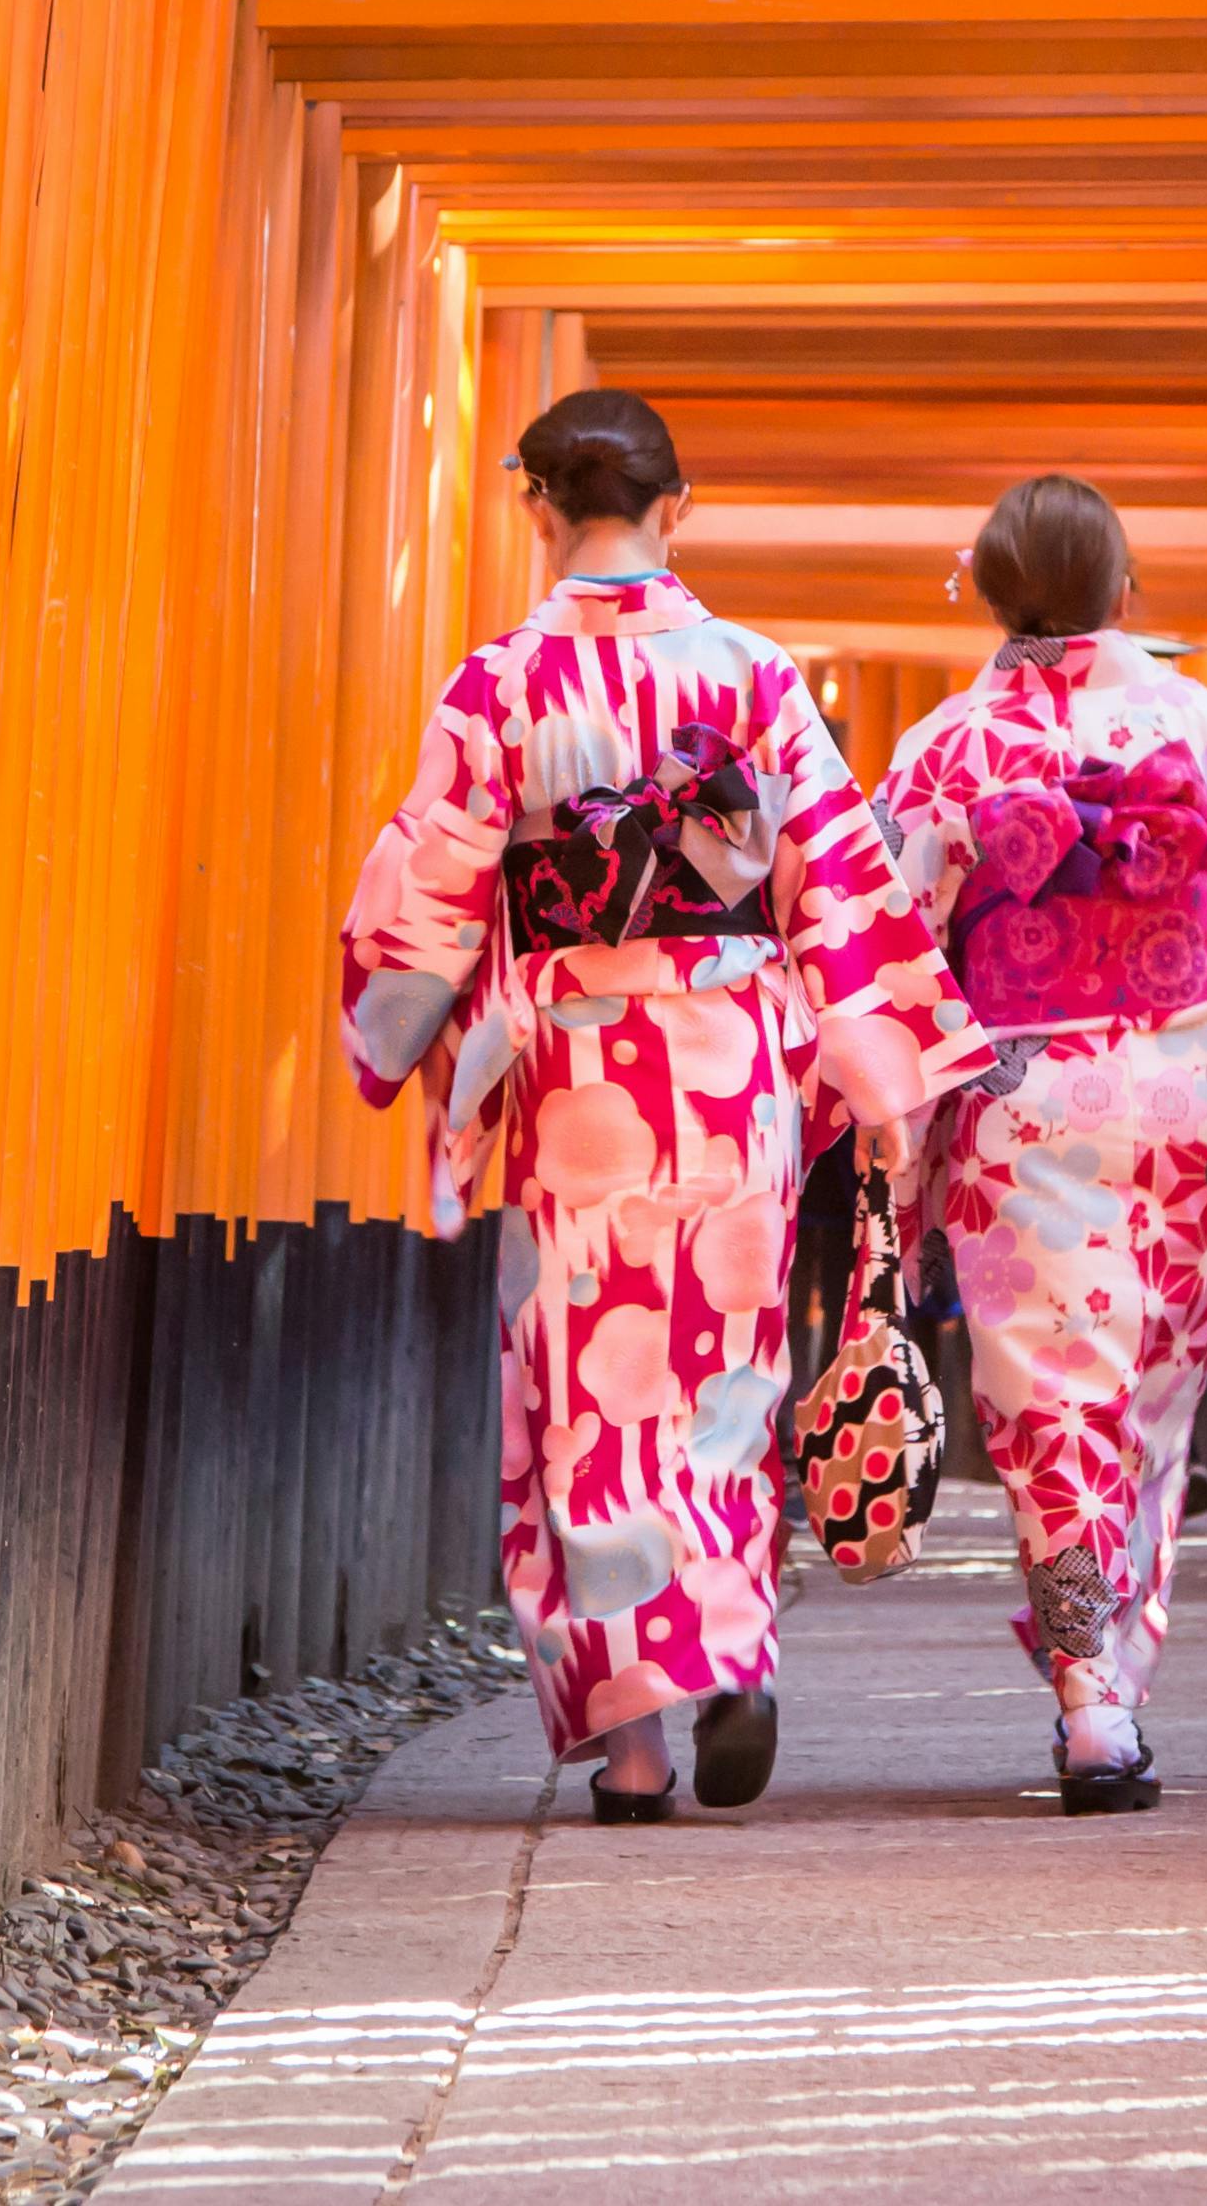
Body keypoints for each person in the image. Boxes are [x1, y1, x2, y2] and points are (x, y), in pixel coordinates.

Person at [338, 388, 983, 1821]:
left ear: (539, 511)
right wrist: (885, 1080)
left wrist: (391, 1035)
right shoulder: (753, 677)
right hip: (734, 1063)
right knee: (726, 1368)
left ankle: (634, 1749)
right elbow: (838, 880)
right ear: (677, 512)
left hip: (578, 1060)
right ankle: (736, 1643)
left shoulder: (495, 685)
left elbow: (430, 897)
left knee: (592, 1393)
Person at [876, 474, 1207, 1815]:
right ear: (1126, 589)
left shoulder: (942, 752)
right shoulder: (1203, 727)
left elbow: (884, 940)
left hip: (1020, 1105)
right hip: (1192, 1100)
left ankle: (1091, 1695)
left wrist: (893, 1137)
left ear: (983, 588)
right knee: (1151, 1396)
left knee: (1052, 1401)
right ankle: (1115, 1672)